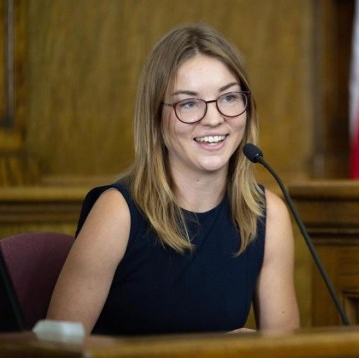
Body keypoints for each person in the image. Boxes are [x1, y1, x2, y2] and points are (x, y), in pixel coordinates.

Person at [47, 24, 300, 335]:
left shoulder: (268, 216)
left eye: (229, 97)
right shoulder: (117, 212)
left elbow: (285, 350)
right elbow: (57, 346)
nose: (213, 118)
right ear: (156, 119)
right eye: (189, 103)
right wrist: (206, 350)